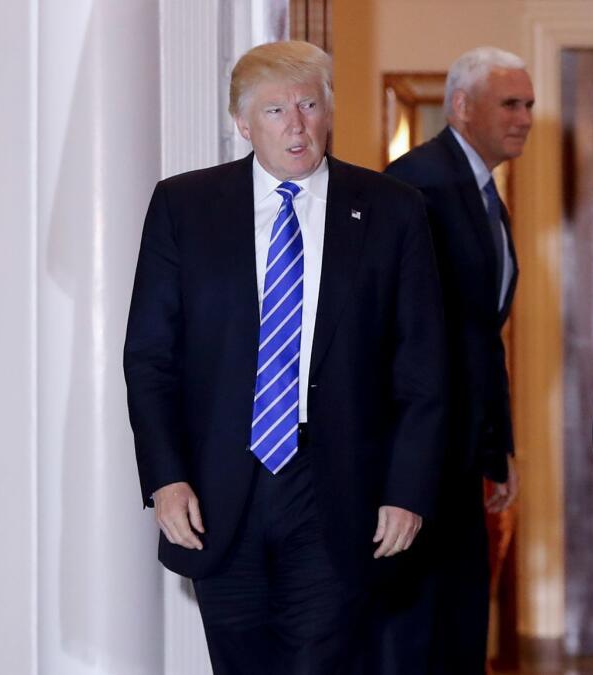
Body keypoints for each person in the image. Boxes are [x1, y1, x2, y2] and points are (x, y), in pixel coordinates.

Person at [124, 41, 446, 674]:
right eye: (275, 110)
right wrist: (166, 477)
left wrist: (407, 489)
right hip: (220, 492)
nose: (296, 125)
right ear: (242, 125)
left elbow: (422, 367)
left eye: (308, 105)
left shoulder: (391, 210)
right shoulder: (184, 207)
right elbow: (150, 358)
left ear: (328, 112)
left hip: (337, 489)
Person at [374, 46, 534, 674]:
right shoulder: (415, 184)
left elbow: (479, 334)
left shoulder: (481, 190)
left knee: (462, 627)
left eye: (528, 105)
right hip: (418, 454)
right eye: (511, 104)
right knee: (420, 633)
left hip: (462, 451)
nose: (524, 117)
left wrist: (497, 447)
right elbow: (404, 337)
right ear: (462, 107)